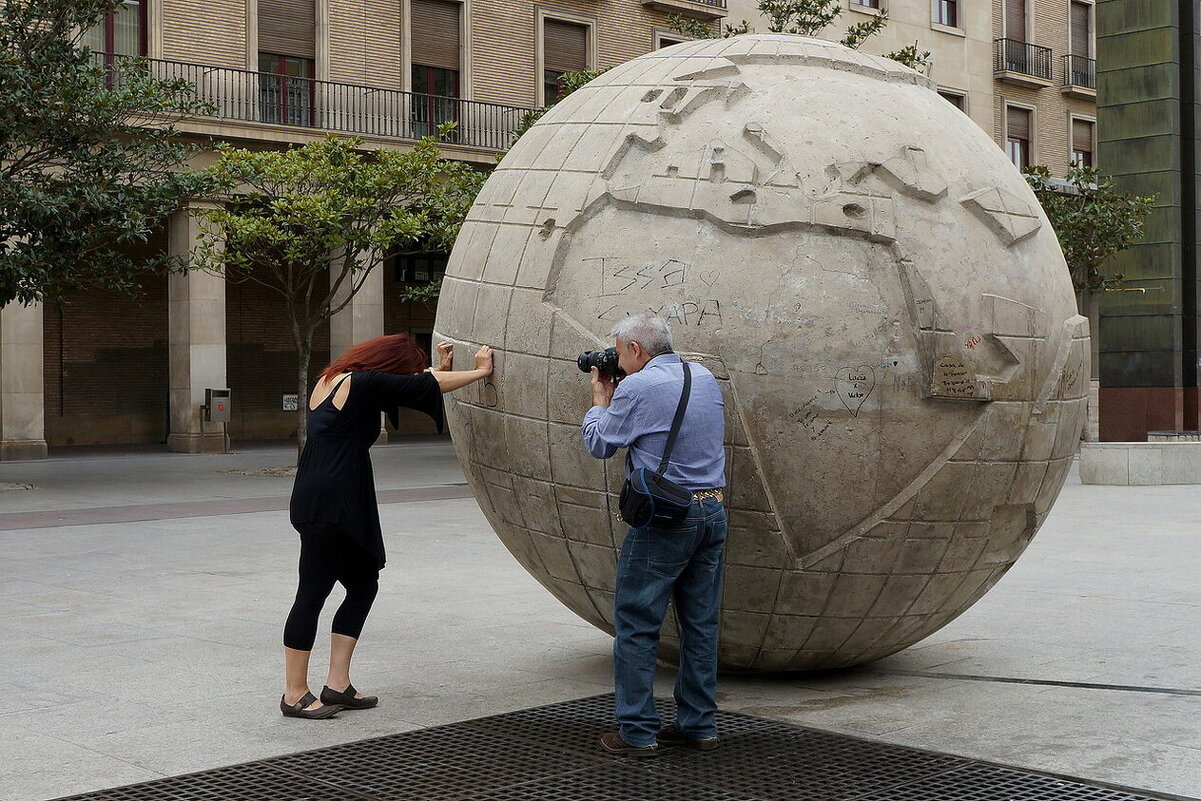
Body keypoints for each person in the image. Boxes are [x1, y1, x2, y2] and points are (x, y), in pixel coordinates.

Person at [281, 333, 493, 719]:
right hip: (332, 500)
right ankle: (294, 694)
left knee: (363, 584)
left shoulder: (333, 379)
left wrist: (437, 370)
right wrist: (480, 371)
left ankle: (337, 685)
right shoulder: (362, 382)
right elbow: (421, 385)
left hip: (326, 495)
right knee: (312, 593)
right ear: (390, 365)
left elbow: (415, 386)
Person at [580, 313, 727, 755]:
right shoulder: (703, 377)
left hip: (667, 519)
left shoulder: (637, 387)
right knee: (700, 625)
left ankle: (638, 732)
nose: (618, 362)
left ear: (636, 351)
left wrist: (600, 398)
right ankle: (699, 726)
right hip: (713, 512)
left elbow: (599, 444)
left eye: (621, 353)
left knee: (637, 625)